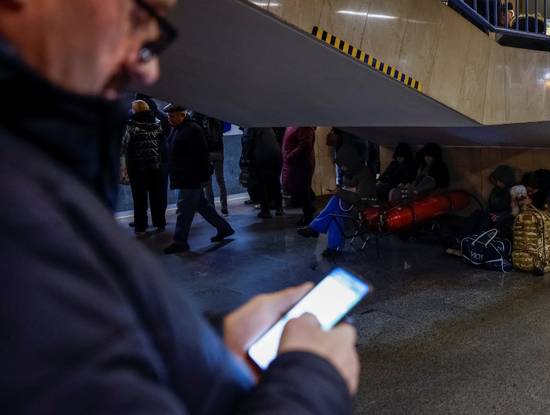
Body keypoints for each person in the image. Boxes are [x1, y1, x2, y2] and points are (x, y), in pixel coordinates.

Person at [0, 0, 358, 412]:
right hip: (187, 182)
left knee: (197, 210)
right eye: (137, 14)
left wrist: (211, 341)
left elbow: (101, 337)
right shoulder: (18, 205)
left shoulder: (39, 168)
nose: (149, 71)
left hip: (190, 183)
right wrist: (313, 380)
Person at [163, 105, 234, 253]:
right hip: (185, 176)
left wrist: (203, 176)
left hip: (190, 177)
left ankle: (180, 241)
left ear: (182, 115)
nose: (169, 118)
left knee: (183, 210)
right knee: (203, 207)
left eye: (172, 116)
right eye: (169, 116)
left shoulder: (192, 130)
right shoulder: (178, 128)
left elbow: (201, 155)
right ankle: (225, 228)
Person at [298, 144, 377, 258]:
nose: (342, 168)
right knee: (336, 211)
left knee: (336, 204)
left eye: (344, 165)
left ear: (350, 161)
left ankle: (316, 229)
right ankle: (333, 247)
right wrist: (343, 191)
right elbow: (351, 193)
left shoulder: (364, 175)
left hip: (365, 209)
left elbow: (361, 199)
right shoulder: (351, 172)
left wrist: (341, 192)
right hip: (351, 205)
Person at [122, 99, 168, 235]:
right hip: (156, 167)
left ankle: (141, 226)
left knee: (140, 199)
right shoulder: (157, 125)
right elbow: (162, 146)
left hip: (137, 169)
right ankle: (160, 223)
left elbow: (122, 147)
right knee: (157, 197)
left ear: (135, 110)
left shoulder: (130, 127)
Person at [193, 112, 229, 215]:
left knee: (208, 182)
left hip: (206, 153)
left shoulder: (198, 117)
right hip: (219, 151)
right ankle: (224, 207)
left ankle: (211, 207)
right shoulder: (219, 116)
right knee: (221, 180)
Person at [282, 126, 317, 226]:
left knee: (302, 189)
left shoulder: (304, 126)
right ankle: (309, 210)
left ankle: (308, 216)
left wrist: (289, 156)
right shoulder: (296, 125)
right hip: (294, 164)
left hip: (300, 164)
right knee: (300, 189)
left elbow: (305, 145)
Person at [248, 127, 284, 219]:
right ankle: (279, 208)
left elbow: (248, 143)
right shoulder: (268, 124)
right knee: (275, 182)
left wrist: (246, 159)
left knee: (262, 184)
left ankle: (265, 211)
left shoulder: (252, 126)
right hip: (276, 153)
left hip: (261, 156)